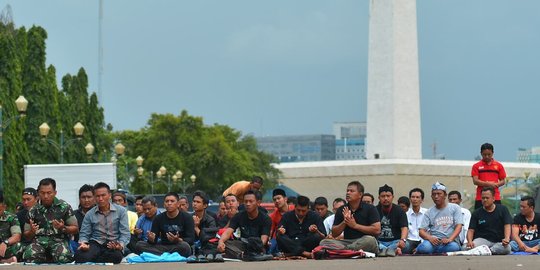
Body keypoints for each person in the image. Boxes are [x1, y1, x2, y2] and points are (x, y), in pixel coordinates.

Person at [23, 178, 78, 263]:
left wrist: (63, 228)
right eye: (42, 193)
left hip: (59, 241)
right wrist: (32, 232)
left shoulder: (64, 207)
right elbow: (26, 234)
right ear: (38, 193)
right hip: (39, 242)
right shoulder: (33, 210)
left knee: (63, 257)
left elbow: (75, 229)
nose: (45, 196)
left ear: (55, 193)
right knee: (30, 255)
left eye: (49, 193)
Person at [74, 182, 130, 264]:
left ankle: (95, 257)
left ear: (109, 195)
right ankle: (98, 256)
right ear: (94, 197)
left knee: (116, 257)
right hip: (95, 243)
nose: (100, 199)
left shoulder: (121, 211)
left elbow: (125, 233)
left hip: (112, 244)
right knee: (79, 256)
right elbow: (84, 233)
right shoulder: (90, 214)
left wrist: (120, 245)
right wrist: (84, 244)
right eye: (97, 196)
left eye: (103, 195)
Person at [320, 181, 380, 254]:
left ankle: (346, 250)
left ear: (360, 194)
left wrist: (355, 225)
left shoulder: (370, 208)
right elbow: (334, 234)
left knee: (370, 240)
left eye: (352, 191)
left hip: (364, 241)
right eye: (347, 191)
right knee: (324, 242)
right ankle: (349, 250)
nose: (348, 193)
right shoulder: (341, 209)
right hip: (347, 242)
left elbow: (377, 230)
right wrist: (345, 221)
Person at [135, 192, 194, 257]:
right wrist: (151, 239)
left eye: (172, 201)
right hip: (163, 246)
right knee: (139, 245)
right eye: (167, 201)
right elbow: (153, 241)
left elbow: (191, 239)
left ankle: (161, 254)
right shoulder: (158, 218)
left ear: (178, 204)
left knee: (185, 247)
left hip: (178, 246)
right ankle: (167, 254)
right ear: (164, 204)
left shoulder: (187, 217)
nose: (169, 203)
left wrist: (178, 240)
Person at [217, 190, 272, 260]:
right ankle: (244, 255)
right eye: (246, 201)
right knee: (224, 243)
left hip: (258, 246)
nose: (248, 204)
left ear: (258, 203)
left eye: (251, 201)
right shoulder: (239, 216)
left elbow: (263, 240)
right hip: (243, 244)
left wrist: (256, 246)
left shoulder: (266, 218)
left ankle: (248, 255)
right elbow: (228, 231)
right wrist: (221, 242)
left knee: (255, 242)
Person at [417, 182, 462, 254]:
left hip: (449, 242)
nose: (436, 196)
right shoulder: (429, 212)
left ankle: (430, 251)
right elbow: (421, 231)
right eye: (434, 194)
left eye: (439, 194)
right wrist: (430, 238)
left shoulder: (455, 208)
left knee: (454, 247)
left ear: (445, 195)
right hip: (433, 242)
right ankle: (430, 250)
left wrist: (450, 239)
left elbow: (459, 226)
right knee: (425, 248)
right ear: (431, 196)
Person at [465, 187, 511, 255]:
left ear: (493, 198)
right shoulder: (476, 213)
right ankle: (485, 251)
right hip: (482, 240)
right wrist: (469, 241)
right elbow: (471, 230)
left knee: (507, 249)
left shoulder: (503, 209)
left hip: (498, 242)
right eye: (483, 198)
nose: (485, 200)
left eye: (487, 198)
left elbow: (507, 225)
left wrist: (506, 238)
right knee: (466, 248)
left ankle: (487, 251)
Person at [376, 184, 408, 256]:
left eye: (388, 196)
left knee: (407, 245)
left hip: (395, 242)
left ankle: (385, 250)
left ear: (392, 197)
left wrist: (403, 240)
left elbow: (404, 228)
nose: (386, 198)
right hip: (379, 242)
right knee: (371, 244)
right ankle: (389, 250)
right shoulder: (374, 210)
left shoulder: (399, 210)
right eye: (383, 196)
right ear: (379, 197)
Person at [471, 143, 506, 209]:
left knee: (497, 217)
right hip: (480, 198)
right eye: (484, 154)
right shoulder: (476, 166)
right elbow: (475, 181)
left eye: (489, 154)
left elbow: (503, 180)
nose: (487, 156)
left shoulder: (498, 165)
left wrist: (496, 184)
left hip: (495, 197)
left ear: (492, 153)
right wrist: (488, 184)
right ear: (481, 153)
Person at [191, 191, 217, 257]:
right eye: (194, 201)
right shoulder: (188, 218)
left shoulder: (210, 220)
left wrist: (196, 227)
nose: (195, 204)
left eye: (198, 202)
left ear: (205, 205)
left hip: (206, 246)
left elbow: (206, 239)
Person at [403, 188, 427, 254]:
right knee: (405, 246)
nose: (415, 199)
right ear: (410, 199)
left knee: (426, 247)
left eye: (417, 197)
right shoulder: (405, 214)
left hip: (424, 240)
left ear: (422, 200)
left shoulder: (427, 213)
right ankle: (417, 250)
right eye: (413, 197)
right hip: (410, 241)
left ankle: (419, 249)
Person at [0, 191, 21, 263]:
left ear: (4, 207)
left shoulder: (11, 217)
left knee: (18, 246)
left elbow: (17, 236)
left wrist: (5, 243)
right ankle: (4, 261)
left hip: (4, 247)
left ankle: (4, 260)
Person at [16, 187, 37, 256]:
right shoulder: (18, 215)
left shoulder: (44, 212)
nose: (25, 202)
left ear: (36, 199)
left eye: (28, 199)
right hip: (25, 244)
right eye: (24, 200)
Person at [268, 188, 289, 255]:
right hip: (278, 239)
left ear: (285, 199)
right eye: (274, 200)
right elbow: (270, 232)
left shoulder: (295, 210)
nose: (276, 201)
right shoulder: (272, 216)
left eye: (278, 198)